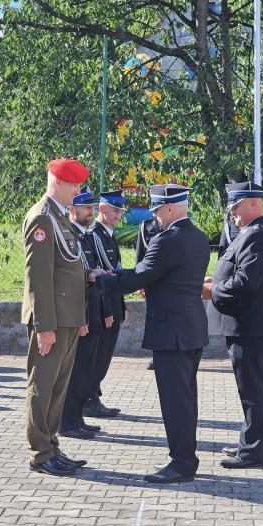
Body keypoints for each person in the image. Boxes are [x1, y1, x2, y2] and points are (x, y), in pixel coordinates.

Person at [98, 184, 210, 484]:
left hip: (171, 331)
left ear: (171, 209)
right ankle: (185, 457)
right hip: (191, 328)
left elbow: (138, 277)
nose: (156, 217)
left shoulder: (168, 240)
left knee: (175, 401)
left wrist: (104, 278)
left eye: (158, 210)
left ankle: (182, 462)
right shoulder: (198, 237)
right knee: (185, 398)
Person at [202, 181, 263, 469]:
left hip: (250, 324)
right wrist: (216, 282)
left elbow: (245, 282)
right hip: (246, 323)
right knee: (249, 389)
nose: (233, 212)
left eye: (236, 206)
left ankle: (253, 452)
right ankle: (248, 443)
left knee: (253, 390)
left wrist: (211, 291)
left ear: (253, 204)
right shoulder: (250, 231)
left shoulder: (258, 234)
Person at [21, 158, 90, 477]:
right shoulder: (43, 218)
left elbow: (69, 271)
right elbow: (39, 278)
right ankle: (40, 452)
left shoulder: (59, 218)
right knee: (43, 387)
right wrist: (44, 326)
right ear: (58, 183)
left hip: (67, 318)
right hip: (52, 321)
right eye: (74, 184)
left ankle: (51, 444)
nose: (78, 190)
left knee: (58, 387)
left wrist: (79, 316)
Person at [59, 187, 114, 439]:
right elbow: (73, 280)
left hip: (94, 311)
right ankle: (68, 421)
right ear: (72, 209)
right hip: (80, 313)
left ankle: (77, 417)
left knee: (87, 370)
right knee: (76, 371)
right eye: (85, 207)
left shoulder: (90, 237)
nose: (91, 211)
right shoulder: (70, 236)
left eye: (92, 207)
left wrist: (106, 311)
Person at [83, 190, 127, 418]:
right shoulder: (94, 236)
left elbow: (115, 273)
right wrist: (108, 310)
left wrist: (122, 306)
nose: (118, 215)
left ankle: (93, 397)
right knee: (97, 356)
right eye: (115, 210)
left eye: (120, 210)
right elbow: (100, 278)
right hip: (101, 307)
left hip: (112, 303)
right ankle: (89, 399)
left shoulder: (108, 235)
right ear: (102, 209)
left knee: (105, 356)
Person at [135, 216, 162, 370]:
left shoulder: (172, 223)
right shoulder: (145, 226)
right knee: (153, 318)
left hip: (168, 281)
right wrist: (140, 282)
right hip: (151, 281)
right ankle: (155, 355)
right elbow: (140, 255)